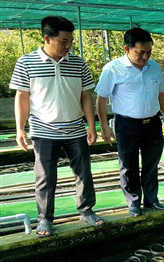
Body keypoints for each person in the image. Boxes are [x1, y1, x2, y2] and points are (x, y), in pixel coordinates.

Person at [9, 16, 104, 237]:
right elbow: (22, 97)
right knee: (45, 177)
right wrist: (20, 129)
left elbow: (86, 96)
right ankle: (44, 219)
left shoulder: (78, 63)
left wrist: (92, 125)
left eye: (71, 41)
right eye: (63, 41)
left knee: (83, 172)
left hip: (75, 129)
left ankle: (87, 210)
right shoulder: (26, 62)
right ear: (47, 38)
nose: (68, 46)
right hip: (43, 131)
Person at [96, 28, 164, 217]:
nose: (145, 57)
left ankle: (152, 199)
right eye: (140, 52)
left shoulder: (153, 67)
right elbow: (101, 99)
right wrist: (104, 126)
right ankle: (133, 202)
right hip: (126, 124)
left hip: (152, 123)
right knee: (128, 165)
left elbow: (160, 93)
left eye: (148, 52)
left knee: (151, 163)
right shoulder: (113, 69)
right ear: (127, 49)